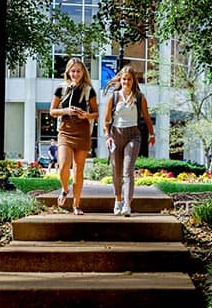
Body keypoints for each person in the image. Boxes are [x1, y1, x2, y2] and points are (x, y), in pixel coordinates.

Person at [102, 66, 155, 217]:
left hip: (133, 135)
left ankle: (127, 204)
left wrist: (152, 134)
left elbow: (146, 117)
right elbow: (106, 121)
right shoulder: (114, 97)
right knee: (116, 172)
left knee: (128, 171)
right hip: (116, 134)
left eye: (129, 79)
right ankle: (118, 200)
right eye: (124, 79)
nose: (126, 82)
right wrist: (107, 137)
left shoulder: (139, 97)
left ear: (133, 81)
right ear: (120, 80)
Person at [50, 58, 99, 215]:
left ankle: (76, 204)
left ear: (83, 72)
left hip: (82, 131)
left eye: (78, 71)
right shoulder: (61, 89)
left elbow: (96, 113)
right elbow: (52, 111)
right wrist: (66, 111)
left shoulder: (89, 90)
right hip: (65, 130)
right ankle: (65, 188)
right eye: (73, 71)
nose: (76, 74)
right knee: (63, 165)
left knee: (78, 170)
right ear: (68, 72)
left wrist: (86, 115)